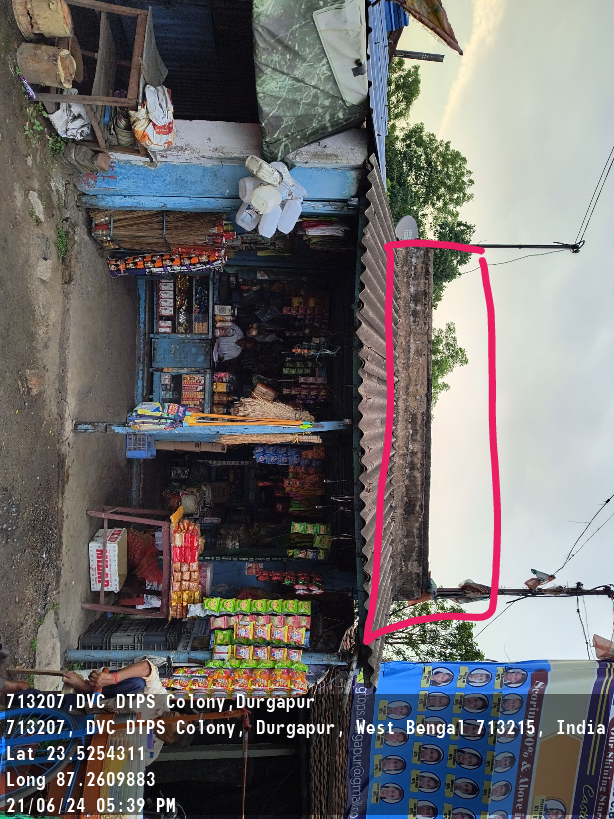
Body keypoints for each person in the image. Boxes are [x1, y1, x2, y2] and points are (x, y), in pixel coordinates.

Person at [0, 659, 194, 765]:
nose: (175, 714)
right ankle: (82, 688)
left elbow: (115, 765)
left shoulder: (149, 753)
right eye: (180, 714)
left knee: (53, 722)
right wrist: (112, 679)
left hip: (90, 735)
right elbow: (148, 668)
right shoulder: (161, 702)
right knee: (138, 683)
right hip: (94, 702)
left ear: (170, 738)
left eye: (178, 721)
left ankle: (22, 692)